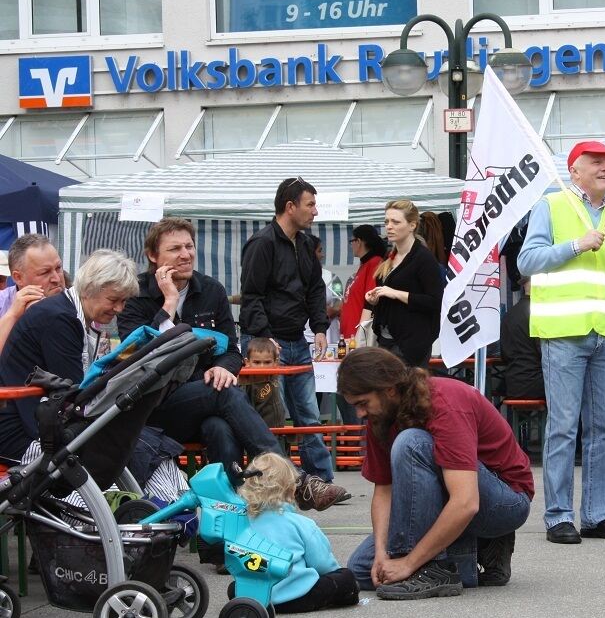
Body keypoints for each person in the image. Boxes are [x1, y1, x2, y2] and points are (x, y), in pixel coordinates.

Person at [119, 216, 348, 508]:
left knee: (221, 430)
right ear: (153, 256)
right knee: (225, 394)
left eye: (189, 246)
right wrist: (168, 304)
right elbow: (138, 356)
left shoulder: (211, 290)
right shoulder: (136, 294)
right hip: (154, 409)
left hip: (205, 400)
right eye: (174, 249)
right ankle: (296, 481)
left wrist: (224, 368)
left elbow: (232, 349)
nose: (186, 254)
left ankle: (225, 529)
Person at [518, 140, 605, 544]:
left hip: (603, 332)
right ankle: (558, 517)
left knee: (603, 429)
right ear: (575, 171)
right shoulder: (551, 206)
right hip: (563, 332)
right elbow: (526, 262)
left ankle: (597, 514)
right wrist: (577, 245)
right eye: (596, 162)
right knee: (564, 428)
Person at [338, 348, 533, 600]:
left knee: (412, 443)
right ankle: (481, 549)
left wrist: (407, 563)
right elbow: (384, 491)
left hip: (505, 501)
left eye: (363, 404)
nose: (360, 413)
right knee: (363, 571)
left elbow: (466, 502)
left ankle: (436, 568)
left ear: (388, 389)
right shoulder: (381, 416)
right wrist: (381, 554)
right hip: (458, 497)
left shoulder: (444, 402)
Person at [0, 250, 137, 464]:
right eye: (113, 300)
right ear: (89, 289)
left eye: (124, 301)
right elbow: (76, 394)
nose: (119, 308)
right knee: (117, 452)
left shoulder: (68, 314)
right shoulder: (60, 319)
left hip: (38, 424)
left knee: (141, 446)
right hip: (20, 434)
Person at [240, 178, 334, 483]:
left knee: (308, 413)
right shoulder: (262, 243)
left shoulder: (306, 244)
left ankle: (320, 480)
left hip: (296, 339)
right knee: (272, 415)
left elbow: (316, 289)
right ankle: (276, 478)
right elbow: (251, 295)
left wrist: (320, 327)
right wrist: (265, 338)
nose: (315, 212)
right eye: (310, 204)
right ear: (290, 206)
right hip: (268, 346)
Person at [239, 453, 359, 613]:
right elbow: (323, 564)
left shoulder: (243, 524)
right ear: (292, 488)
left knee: (235, 588)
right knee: (346, 577)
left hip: (256, 598)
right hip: (297, 597)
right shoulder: (299, 523)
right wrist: (335, 574)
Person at [362, 200, 443, 369]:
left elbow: (435, 302)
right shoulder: (389, 257)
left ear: (412, 225)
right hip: (386, 340)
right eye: (386, 222)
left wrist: (395, 293)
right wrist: (376, 299)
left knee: (404, 393)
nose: (389, 227)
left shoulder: (424, 258)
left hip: (410, 345)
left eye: (395, 222)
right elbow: (389, 299)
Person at [0, 233, 66, 353]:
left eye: (58, 268)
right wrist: (13, 314)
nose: (56, 279)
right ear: (18, 277)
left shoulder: (76, 302)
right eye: (45, 272)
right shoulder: (2, 302)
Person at [499, 279, 545, 400]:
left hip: (512, 384)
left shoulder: (509, 314)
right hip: (537, 384)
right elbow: (546, 354)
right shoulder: (541, 314)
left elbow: (504, 354)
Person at [341, 224, 387, 341]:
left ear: (359, 241)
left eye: (352, 241)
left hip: (358, 337)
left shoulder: (374, 263)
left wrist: (360, 335)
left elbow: (370, 301)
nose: (351, 245)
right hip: (350, 334)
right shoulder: (365, 265)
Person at [241, 337, 286, 429]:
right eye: (257, 362)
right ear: (247, 362)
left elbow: (276, 357)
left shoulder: (273, 375)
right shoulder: (247, 384)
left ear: (275, 363)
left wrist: (275, 349)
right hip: (260, 433)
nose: (262, 366)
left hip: (278, 429)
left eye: (267, 362)